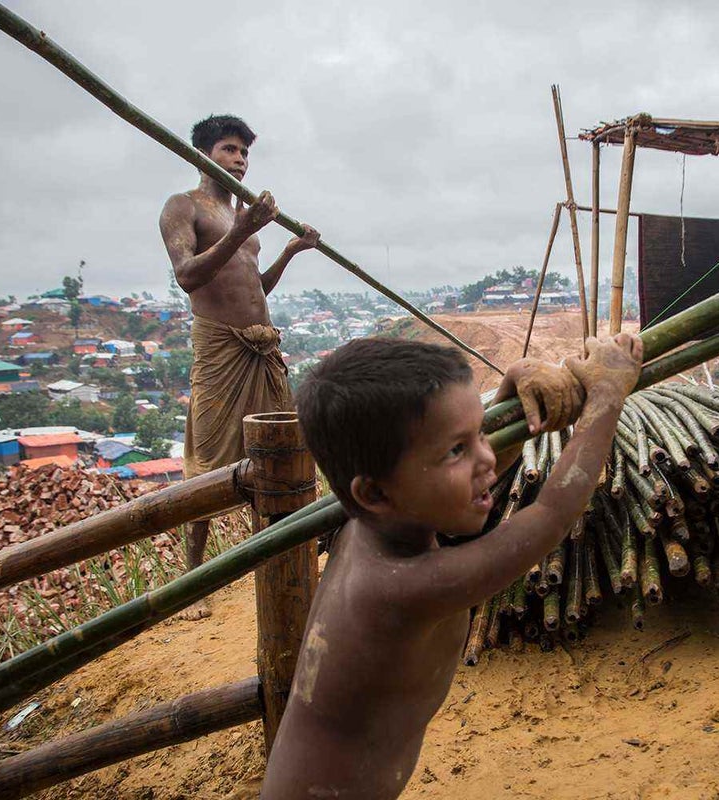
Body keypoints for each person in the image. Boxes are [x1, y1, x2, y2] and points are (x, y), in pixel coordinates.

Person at [261, 333, 643, 800]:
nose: (486, 457)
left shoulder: (384, 526)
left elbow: (458, 490)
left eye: (480, 433)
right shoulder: (398, 588)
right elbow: (550, 517)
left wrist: (509, 389)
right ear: (376, 494)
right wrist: (607, 397)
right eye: (456, 451)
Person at [159, 114, 320, 618]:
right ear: (203, 154)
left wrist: (290, 251)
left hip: (262, 346)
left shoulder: (245, 217)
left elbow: (254, 288)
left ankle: (280, 555)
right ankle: (192, 579)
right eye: (230, 150)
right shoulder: (183, 207)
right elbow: (187, 275)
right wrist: (244, 230)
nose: (240, 161)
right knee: (207, 454)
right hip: (220, 350)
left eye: (245, 153)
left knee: (279, 443)